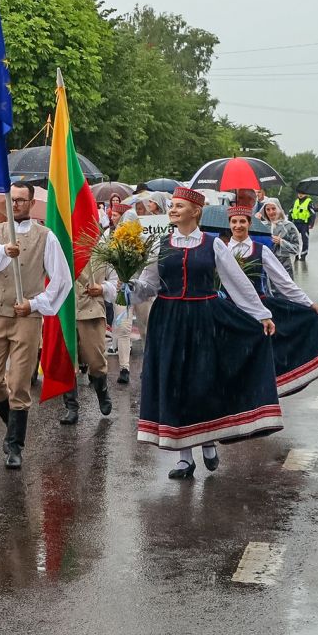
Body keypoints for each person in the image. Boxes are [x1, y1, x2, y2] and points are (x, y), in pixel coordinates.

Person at [116, 189, 281, 480]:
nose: (173, 210)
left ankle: (207, 440)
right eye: (172, 206)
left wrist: (262, 314)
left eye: (180, 206)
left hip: (204, 318)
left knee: (203, 380)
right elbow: (149, 285)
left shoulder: (213, 245)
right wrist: (127, 288)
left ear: (195, 212)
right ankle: (184, 458)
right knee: (175, 383)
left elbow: (237, 283)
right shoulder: (161, 245)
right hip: (168, 320)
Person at [0, 183, 71, 469]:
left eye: (21, 200)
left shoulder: (46, 237)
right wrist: (6, 250)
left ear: (31, 203)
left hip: (26, 317)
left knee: (19, 383)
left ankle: (15, 445)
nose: (15, 204)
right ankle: (11, 426)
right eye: (12, 199)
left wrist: (35, 304)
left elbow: (62, 280)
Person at [225, 207, 318, 396]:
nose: (238, 226)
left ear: (249, 223)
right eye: (234, 222)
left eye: (242, 221)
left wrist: (307, 303)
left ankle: (258, 393)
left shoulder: (260, 250)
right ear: (229, 224)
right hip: (230, 311)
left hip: (257, 312)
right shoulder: (221, 250)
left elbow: (283, 282)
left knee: (257, 354)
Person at [57, 262, 115, 425]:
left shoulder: (101, 247)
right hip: (65, 309)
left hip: (91, 310)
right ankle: (71, 407)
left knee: (96, 361)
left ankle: (102, 391)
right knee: (67, 362)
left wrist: (103, 288)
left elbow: (115, 281)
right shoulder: (60, 241)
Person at [259, 197, 301, 275]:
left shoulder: (288, 226)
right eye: (268, 209)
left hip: (284, 267)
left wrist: (282, 242)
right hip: (266, 268)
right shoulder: (262, 226)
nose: (271, 212)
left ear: (279, 209)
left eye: (273, 208)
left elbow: (296, 248)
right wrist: (255, 223)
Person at [290, 191, 315, 262]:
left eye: (302, 193)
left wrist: (311, 223)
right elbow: (290, 212)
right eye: (299, 193)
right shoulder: (295, 202)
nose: (300, 195)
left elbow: (313, 213)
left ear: (306, 194)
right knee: (294, 240)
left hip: (304, 224)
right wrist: (289, 222)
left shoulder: (309, 201)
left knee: (305, 240)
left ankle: (303, 255)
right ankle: (296, 254)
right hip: (295, 223)